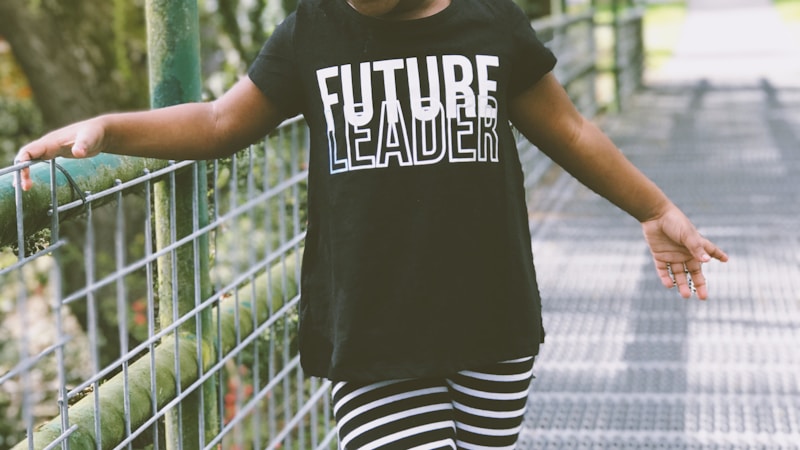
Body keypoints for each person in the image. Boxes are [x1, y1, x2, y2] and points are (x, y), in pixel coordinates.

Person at [16, 0, 728, 447]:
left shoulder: (492, 23)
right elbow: (216, 122)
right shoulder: (310, 32)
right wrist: (109, 128)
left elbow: (570, 131)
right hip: (371, 327)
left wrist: (655, 209)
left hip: (491, 323)